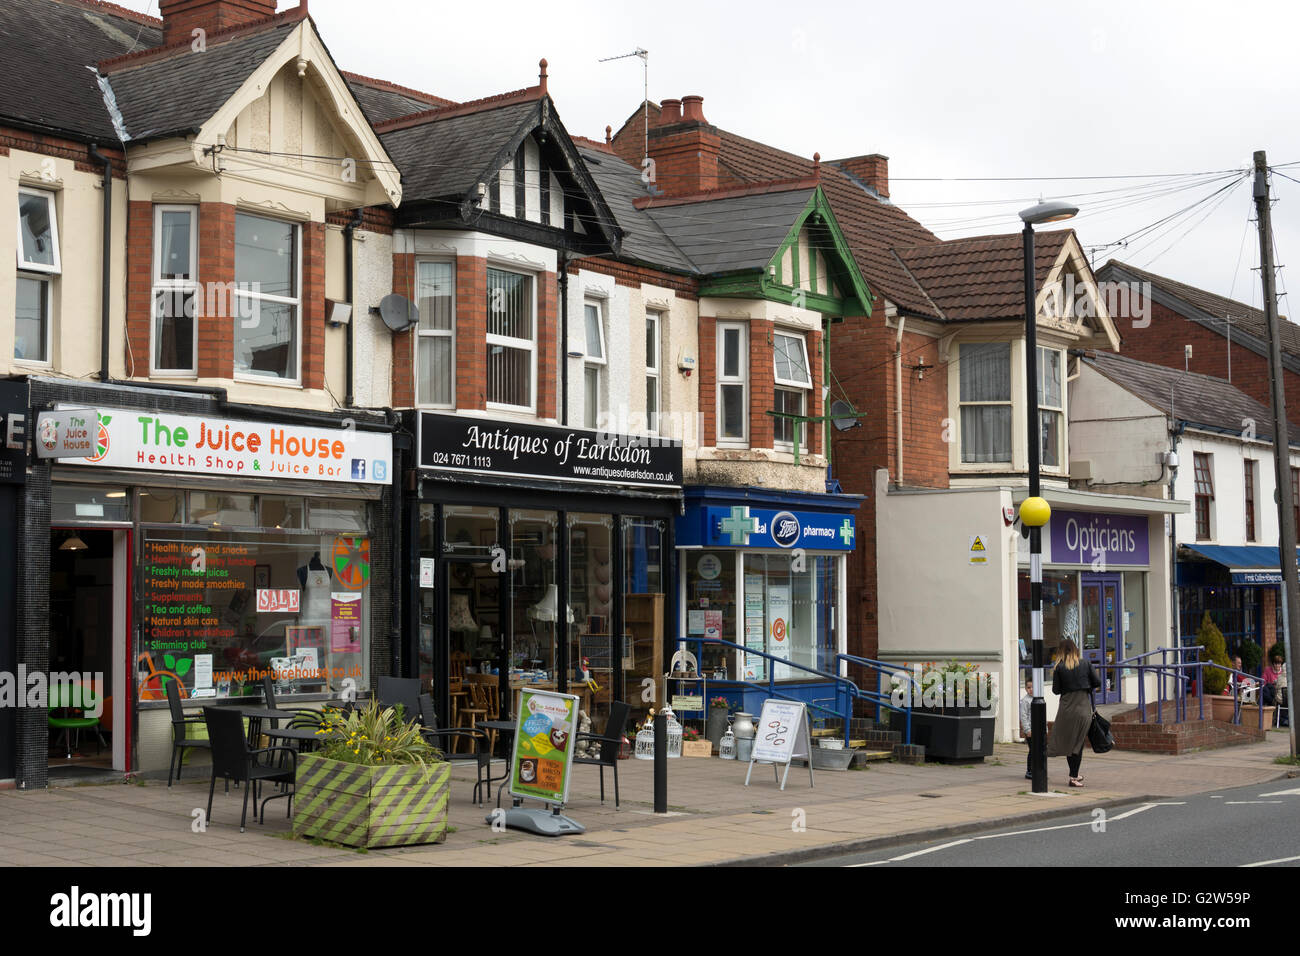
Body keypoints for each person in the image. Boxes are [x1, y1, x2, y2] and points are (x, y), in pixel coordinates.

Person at [1047, 639, 1100, 788]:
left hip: (1066, 708)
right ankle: (1074, 776)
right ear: (1076, 649)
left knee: (1070, 743)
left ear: (1061, 651)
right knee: (1078, 743)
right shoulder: (1085, 663)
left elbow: (1056, 690)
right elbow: (1097, 682)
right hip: (1083, 707)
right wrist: (1085, 685)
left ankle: (1074, 774)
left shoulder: (1059, 667)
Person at [1019, 677, 1034, 780]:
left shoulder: (1040, 698)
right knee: (1033, 750)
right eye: (1029, 687)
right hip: (1030, 730)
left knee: (1041, 751)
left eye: (1033, 687)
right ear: (1025, 689)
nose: (1031, 689)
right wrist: (1027, 730)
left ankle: (1038, 769)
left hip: (1039, 730)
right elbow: (1023, 716)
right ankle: (1029, 770)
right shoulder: (1025, 701)